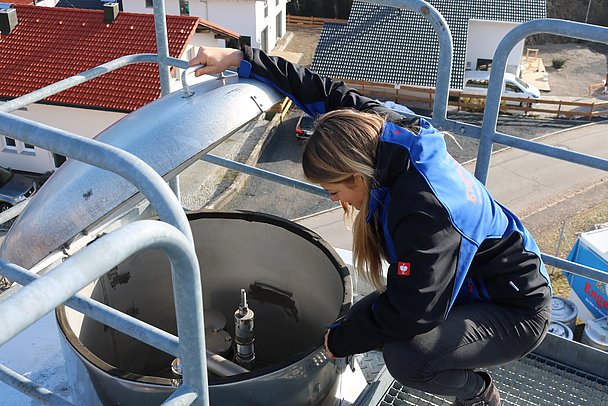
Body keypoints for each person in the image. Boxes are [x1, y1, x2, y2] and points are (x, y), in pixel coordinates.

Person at [189, 46, 552, 406]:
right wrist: (241, 59)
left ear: (357, 175)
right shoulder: (375, 132)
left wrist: (345, 343)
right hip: (457, 282)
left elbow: (415, 310)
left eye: (334, 190)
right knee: (355, 320)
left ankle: (479, 395)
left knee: (408, 357)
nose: (334, 200)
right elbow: (320, 91)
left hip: (514, 307)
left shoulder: (423, 213)